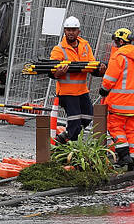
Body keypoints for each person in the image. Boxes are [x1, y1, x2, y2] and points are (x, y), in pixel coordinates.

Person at [51, 16, 105, 143]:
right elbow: (52, 71)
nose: (71, 32)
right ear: (64, 31)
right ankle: (65, 143)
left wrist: (99, 71)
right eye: (68, 30)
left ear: (78, 31)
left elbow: (91, 66)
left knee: (88, 116)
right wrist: (58, 73)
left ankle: (65, 138)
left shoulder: (85, 46)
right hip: (67, 92)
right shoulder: (58, 49)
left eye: (73, 30)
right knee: (74, 121)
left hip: (82, 91)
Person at [98, 29, 134, 169]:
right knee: (131, 131)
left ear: (120, 41)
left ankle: (124, 156)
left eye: (115, 41)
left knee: (116, 127)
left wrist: (104, 89)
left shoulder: (119, 55)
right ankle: (132, 159)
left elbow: (110, 78)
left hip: (119, 103)